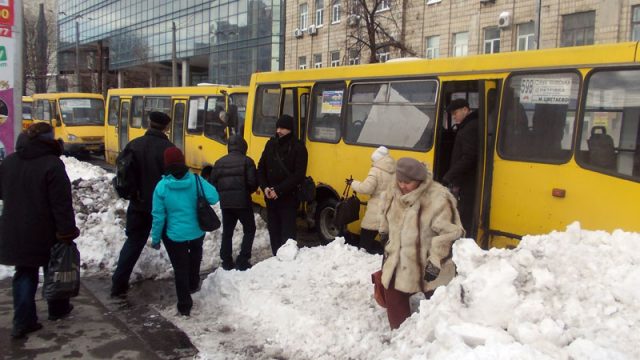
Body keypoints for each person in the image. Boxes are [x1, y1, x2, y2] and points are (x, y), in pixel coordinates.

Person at [0, 123, 80, 339]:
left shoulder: (9, 162)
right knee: (54, 267)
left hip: (15, 228)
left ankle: (23, 322)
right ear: (49, 139)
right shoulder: (52, 165)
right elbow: (61, 203)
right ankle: (58, 309)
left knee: (24, 272)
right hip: (46, 228)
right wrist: (67, 231)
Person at [379, 157, 464, 329]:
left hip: (429, 263)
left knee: (441, 311)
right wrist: (384, 232)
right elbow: (385, 212)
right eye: (400, 180)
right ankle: (401, 338)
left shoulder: (438, 198)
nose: (402, 186)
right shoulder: (393, 191)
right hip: (400, 261)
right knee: (394, 300)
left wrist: (436, 261)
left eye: (408, 182)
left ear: (419, 180)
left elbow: (451, 232)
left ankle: (440, 340)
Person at [111, 111, 174, 297]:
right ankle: (185, 284)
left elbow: (122, 171)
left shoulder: (134, 145)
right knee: (173, 245)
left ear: (149, 123)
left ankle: (118, 285)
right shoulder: (168, 149)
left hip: (138, 205)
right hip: (162, 208)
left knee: (133, 244)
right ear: (167, 127)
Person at [150, 147, 219, 316]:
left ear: (166, 163)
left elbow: (158, 216)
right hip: (196, 230)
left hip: (175, 236)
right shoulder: (196, 180)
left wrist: (156, 238)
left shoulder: (162, 186)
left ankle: (184, 305)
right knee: (195, 255)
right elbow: (214, 197)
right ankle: (193, 282)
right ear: (182, 160)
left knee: (180, 268)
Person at [257, 114, 308, 255]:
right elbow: (261, 168)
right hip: (270, 199)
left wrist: (278, 190)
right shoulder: (270, 144)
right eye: (277, 127)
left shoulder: (299, 148)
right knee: (274, 233)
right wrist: (265, 187)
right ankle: (275, 259)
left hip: (288, 199)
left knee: (288, 235)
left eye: (283, 128)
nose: (279, 131)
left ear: (290, 129)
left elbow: (298, 175)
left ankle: (287, 263)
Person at [209, 135, 258, 271]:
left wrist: (223, 193)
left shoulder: (219, 162)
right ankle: (243, 259)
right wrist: (246, 192)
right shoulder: (247, 161)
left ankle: (226, 261)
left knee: (228, 232)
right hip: (243, 203)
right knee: (249, 229)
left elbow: (213, 183)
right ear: (244, 147)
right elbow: (253, 183)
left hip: (226, 203)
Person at [441, 98, 478, 234]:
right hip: (467, 178)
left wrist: (449, 175)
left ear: (465, 110)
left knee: (464, 212)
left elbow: (468, 157)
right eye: (452, 114)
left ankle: (463, 240)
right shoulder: (469, 125)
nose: (454, 116)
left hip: (467, 179)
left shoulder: (470, 128)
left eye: (455, 113)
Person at [349, 146, 395, 254]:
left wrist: (353, 183)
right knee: (386, 237)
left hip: (376, 208)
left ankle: (362, 257)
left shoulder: (376, 171)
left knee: (366, 236)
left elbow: (366, 188)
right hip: (390, 207)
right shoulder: (394, 170)